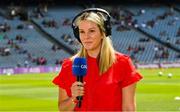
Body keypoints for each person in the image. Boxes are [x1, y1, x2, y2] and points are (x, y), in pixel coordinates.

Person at [52, 8, 143, 111]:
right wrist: (74, 98)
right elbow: (62, 109)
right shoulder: (69, 66)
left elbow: (128, 109)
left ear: (103, 33)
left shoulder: (123, 63)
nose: (86, 36)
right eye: (82, 32)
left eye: (91, 31)